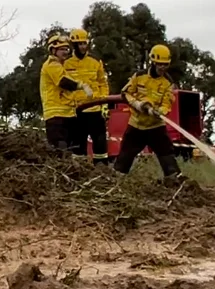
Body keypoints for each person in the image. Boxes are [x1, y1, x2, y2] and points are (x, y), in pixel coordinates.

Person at [114, 44, 181, 180]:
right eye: (160, 64)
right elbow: (126, 93)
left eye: (165, 65)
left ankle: (174, 180)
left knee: (166, 153)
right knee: (125, 156)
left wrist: (160, 111)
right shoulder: (139, 76)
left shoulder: (167, 82)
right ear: (153, 62)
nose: (163, 68)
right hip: (136, 125)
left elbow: (167, 103)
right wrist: (138, 105)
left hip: (155, 126)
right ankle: (116, 181)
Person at [64, 28, 111, 163]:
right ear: (74, 45)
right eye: (79, 44)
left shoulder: (96, 61)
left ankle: (102, 171)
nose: (83, 47)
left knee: (100, 143)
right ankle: (80, 172)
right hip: (76, 111)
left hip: (95, 110)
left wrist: (104, 104)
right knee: (78, 146)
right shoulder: (66, 63)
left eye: (85, 43)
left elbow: (103, 83)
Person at [40, 34, 91, 151]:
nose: (65, 52)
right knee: (60, 150)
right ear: (53, 50)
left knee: (74, 148)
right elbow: (63, 82)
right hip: (55, 115)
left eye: (66, 49)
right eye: (62, 49)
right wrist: (81, 85)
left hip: (67, 113)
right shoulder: (51, 65)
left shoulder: (61, 66)